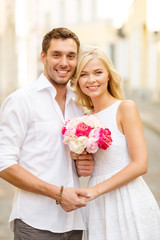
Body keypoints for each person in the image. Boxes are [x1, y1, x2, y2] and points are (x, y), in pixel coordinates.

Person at [0, 28, 95, 240]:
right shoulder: (22, 100)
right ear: (43, 57)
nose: (64, 63)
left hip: (74, 222)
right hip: (36, 223)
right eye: (56, 55)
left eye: (70, 56)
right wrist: (59, 194)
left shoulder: (80, 104)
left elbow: (64, 160)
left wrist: (84, 163)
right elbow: (4, 164)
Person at [71, 45, 160, 240]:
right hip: (99, 206)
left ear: (109, 75)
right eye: (84, 74)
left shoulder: (125, 108)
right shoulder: (82, 120)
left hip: (128, 198)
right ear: (77, 81)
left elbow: (140, 164)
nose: (91, 80)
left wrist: (95, 190)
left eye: (98, 72)